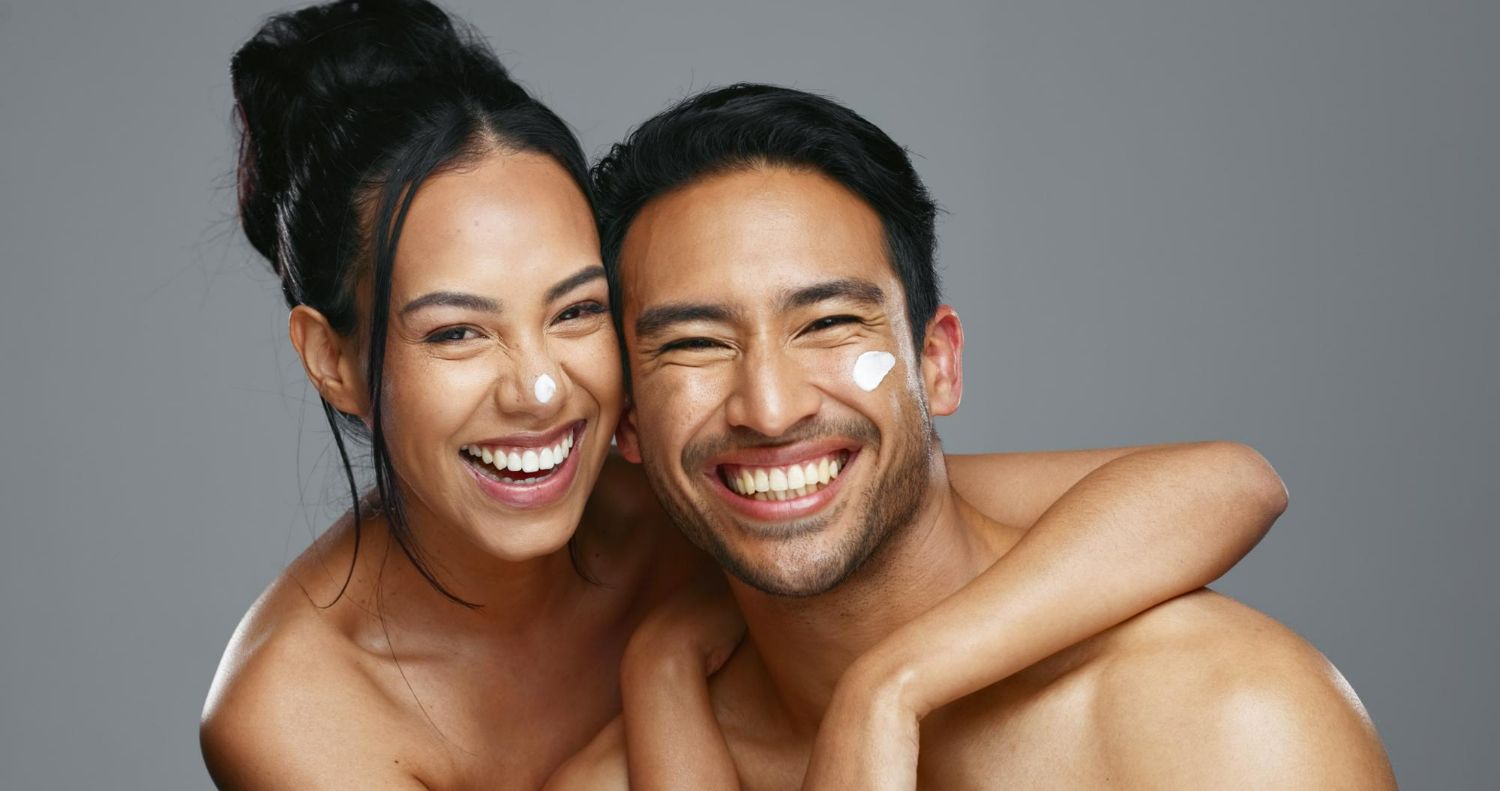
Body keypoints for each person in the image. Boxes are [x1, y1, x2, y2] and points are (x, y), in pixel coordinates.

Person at [200, 3, 1289, 788]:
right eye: (454, 331)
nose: (538, 388)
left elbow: (1215, 484)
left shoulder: (674, 468)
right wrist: (662, 672)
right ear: (334, 356)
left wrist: (886, 682)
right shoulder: (296, 707)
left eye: (575, 311)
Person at [550, 83, 1397, 788]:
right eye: (696, 343)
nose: (770, 409)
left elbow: (1236, 479)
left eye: (830, 324)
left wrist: (883, 688)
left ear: (938, 363)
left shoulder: (1222, 725)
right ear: (626, 417)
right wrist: (658, 668)